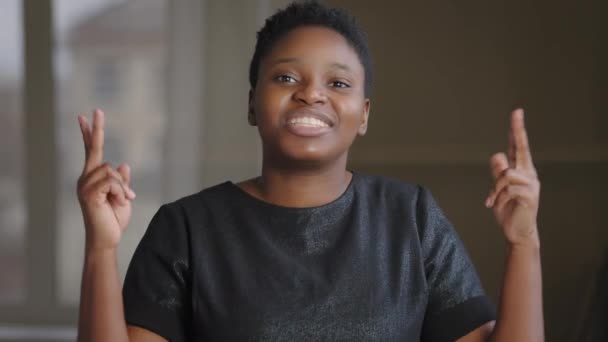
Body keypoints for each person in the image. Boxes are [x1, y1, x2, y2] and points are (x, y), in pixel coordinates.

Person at [75, 1, 544, 341]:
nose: (311, 94)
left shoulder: (412, 219)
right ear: (253, 104)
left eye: (337, 82)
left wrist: (524, 244)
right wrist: (101, 246)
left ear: (363, 115)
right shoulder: (186, 229)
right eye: (285, 78)